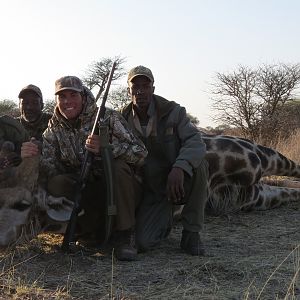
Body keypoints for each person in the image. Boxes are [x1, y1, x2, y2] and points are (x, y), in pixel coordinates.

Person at [21, 76, 147, 261]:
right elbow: (50, 168)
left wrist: (107, 149)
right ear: (56, 100)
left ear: (83, 96)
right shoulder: (53, 128)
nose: (67, 102)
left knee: (118, 168)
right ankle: (88, 230)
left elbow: (141, 153)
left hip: (119, 188)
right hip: (86, 187)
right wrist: (33, 156)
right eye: (62, 97)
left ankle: (125, 235)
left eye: (73, 95)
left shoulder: (108, 117)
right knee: (58, 183)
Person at [122, 66, 208, 256]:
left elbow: (196, 142)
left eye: (145, 86)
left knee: (200, 165)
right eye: (135, 86)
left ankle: (192, 233)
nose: (140, 91)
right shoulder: (121, 119)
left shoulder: (174, 112)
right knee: (144, 242)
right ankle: (164, 218)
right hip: (151, 190)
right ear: (128, 90)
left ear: (153, 88)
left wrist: (179, 168)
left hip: (177, 179)